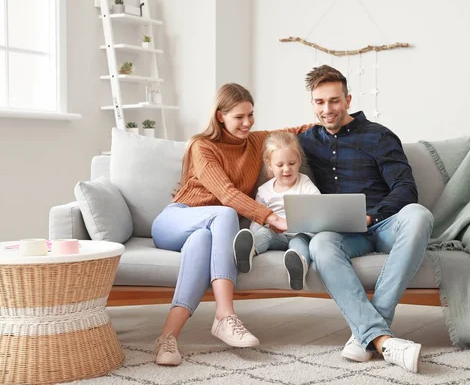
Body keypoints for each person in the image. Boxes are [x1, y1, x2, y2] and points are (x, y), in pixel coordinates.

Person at [151, 83, 312, 366]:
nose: (247, 122)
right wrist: (272, 218)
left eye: (251, 115)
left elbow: (296, 132)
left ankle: (167, 339)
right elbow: (226, 194)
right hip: (177, 219)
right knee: (225, 212)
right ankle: (225, 316)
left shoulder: (256, 141)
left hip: (205, 232)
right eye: (239, 117)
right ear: (220, 116)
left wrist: (331, 123)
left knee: (202, 241)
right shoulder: (203, 146)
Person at [297, 65, 434, 373]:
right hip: (345, 235)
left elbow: (406, 188)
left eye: (333, 101)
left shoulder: (379, 136)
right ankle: (382, 340)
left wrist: (374, 215)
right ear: (312, 105)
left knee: (419, 215)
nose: (327, 109)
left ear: (347, 99)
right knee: (320, 243)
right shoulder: (306, 140)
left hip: (383, 225)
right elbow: (264, 144)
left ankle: (369, 332)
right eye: (319, 102)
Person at [232, 132, 320, 291]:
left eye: (292, 163)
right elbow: (257, 220)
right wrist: (254, 234)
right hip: (275, 234)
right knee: (264, 234)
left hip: (300, 234)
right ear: (269, 164)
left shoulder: (305, 184)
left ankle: (298, 268)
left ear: (299, 160)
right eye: (280, 165)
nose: (287, 169)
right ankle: (248, 250)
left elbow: (318, 208)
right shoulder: (264, 190)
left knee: (298, 245)